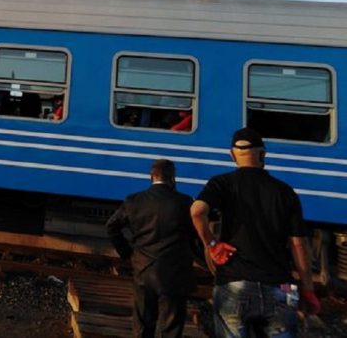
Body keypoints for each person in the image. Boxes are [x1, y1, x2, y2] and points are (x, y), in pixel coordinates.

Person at [190, 127, 321, 338]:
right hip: (281, 287)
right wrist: (307, 290)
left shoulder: (221, 183)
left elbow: (197, 210)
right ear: (263, 154)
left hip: (234, 285)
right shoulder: (285, 191)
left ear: (232, 155)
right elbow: (299, 244)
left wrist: (212, 245)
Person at [106, 159, 197, 338]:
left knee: (142, 326)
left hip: (143, 271)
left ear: (151, 176)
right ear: (173, 178)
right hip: (175, 275)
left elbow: (111, 227)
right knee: (170, 328)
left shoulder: (134, 201)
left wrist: (126, 252)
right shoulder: (185, 202)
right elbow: (194, 236)